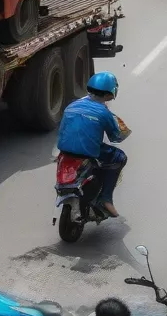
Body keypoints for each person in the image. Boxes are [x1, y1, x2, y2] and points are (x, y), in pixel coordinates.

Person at [55, 71, 130, 218]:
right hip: (87, 152)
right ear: (110, 93)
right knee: (120, 157)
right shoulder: (104, 113)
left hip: (64, 151)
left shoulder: (71, 105)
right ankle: (106, 199)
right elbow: (116, 137)